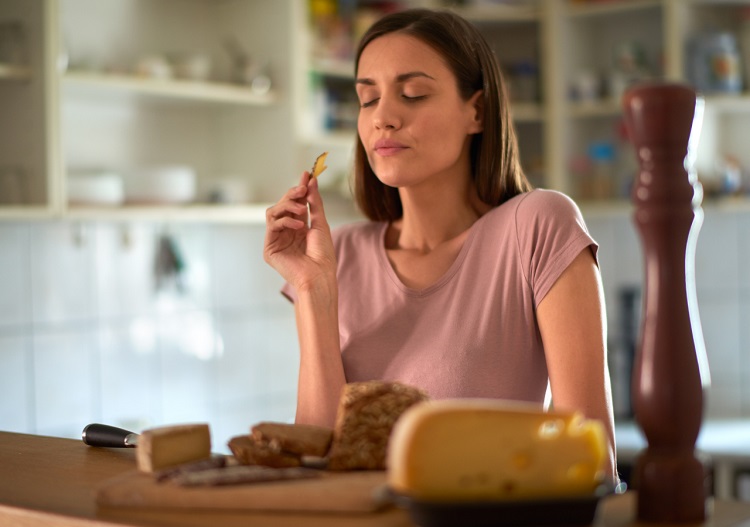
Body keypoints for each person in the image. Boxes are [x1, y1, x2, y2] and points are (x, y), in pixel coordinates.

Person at [264, 8, 617, 482]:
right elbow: (318, 463)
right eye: (368, 99)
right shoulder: (337, 256)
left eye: (413, 94)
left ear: (477, 111)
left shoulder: (537, 227)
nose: (383, 118)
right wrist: (312, 289)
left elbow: (590, 463)